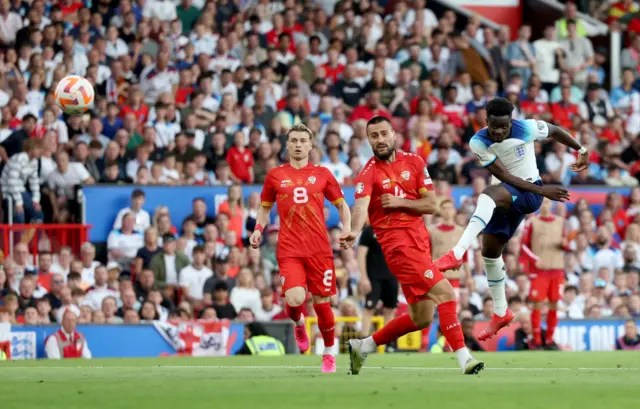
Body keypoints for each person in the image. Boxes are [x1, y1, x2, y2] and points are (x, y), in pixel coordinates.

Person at [434, 98, 588, 341]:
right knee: (490, 253)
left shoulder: (526, 127)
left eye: (503, 127)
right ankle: (500, 312)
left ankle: (457, 253)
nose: (498, 131)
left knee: (487, 194)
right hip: (510, 196)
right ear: (486, 122)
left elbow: (556, 131)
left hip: (529, 194)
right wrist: (544, 191)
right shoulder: (478, 141)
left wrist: (581, 150)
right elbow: (504, 176)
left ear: (511, 122)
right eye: (493, 126)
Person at [341, 116, 482, 375]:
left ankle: (364, 346)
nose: (380, 139)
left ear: (394, 134)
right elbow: (360, 207)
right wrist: (354, 229)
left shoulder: (415, 162)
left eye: (384, 134)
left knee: (422, 318)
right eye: (374, 136)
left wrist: (399, 203)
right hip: (398, 249)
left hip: (419, 246)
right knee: (446, 294)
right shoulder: (368, 173)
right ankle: (465, 359)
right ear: (368, 140)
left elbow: (430, 204)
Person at [249, 123, 351, 373]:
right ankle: (297, 321)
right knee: (295, 299)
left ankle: (328, 352)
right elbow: (264, 208)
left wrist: (347, 227)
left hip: (319, 248)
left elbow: (342, 205)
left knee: (322, 304)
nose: (297, 144)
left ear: (310, 144)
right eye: (293, 140)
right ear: (287, 144)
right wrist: (258, 230)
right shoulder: (275, 175)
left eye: (302, 140)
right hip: (289, 248)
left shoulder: (323, 173)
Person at [520, 198, 567, 350]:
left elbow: (566, 244)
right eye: (542, 203)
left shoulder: (560, 222)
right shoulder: (532, 222)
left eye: (547, 202)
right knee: (538, 303)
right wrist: (535, 259)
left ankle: (550, 338)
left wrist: (565, 245)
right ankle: (537, 339)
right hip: (540, 270)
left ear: (551, 204)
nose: (545, 205)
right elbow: (524, 245)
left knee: (554, 303)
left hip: (556, 268)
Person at [357, 223, 398, 336]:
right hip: (373, 277)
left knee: (390, 309)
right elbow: (361, 254)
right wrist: (364, 277)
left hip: (391, 276)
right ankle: (364, 340)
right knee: (369, 308)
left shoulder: (395, 230)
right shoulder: (369, 231)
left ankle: (389, 341)